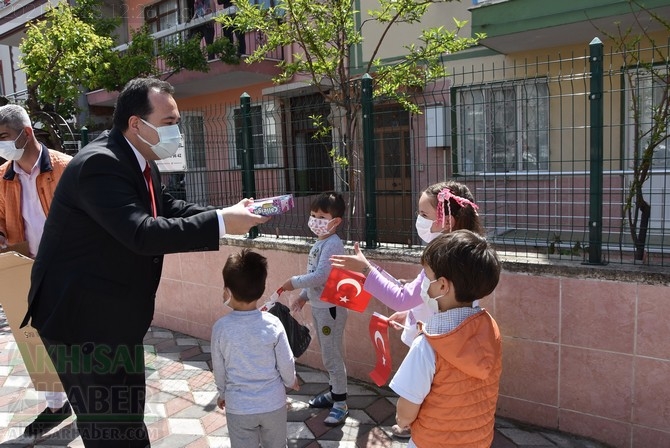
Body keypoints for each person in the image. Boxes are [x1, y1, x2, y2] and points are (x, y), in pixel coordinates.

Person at [20, 77, 269, 448]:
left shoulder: (139, 160)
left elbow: (167, 209)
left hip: (112, 318)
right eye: (169, 122)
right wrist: (220, 223)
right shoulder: (100, 164)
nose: (178, 131)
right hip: (80, 326)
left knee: (127, 419)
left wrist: (226, 214)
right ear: (137, 124)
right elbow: (142, 233)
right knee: (109, 429)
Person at [330, 180, 481, 437]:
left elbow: (403, 297)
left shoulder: (442, 259)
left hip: (437, 344)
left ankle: (416, 426)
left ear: (447, 222)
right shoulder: (464, 252)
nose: (418, 219)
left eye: (424, 215)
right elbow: (418, 297)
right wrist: (409, 311)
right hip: (454, 337)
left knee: (426, 392)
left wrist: (366, 269)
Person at [389, 230, 502, 448]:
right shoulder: (490, 328)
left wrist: (402, 421)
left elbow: (408, 406)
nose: (424, 284)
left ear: (442, 285)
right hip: (478, 441)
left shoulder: (428, 343)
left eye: (426, 277)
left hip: (431, 442)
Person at [0, 104, 73, 437]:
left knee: (77, 340)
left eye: (2, 137)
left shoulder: (66, 168)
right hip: (27, 270)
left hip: (71, 270)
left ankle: (89, 399)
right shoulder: (2, 177)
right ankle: (57, 405)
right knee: (36, 342)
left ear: (25, 133)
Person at [211, 248, 299, 448]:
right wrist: (290, 380)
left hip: (238, 407)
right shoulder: (273, 323)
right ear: (261, 288)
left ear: (228, 292)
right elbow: (286, 361)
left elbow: (219, 368)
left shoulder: (221, 328)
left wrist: (223, 393)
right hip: (273, 404)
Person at [281, 191, 348, 426]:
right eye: (313, 215)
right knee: (328, 354)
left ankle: (340, 403)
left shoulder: (332, 244)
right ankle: (334, 392)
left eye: (321, 216)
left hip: (331, 309)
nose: (315, 220)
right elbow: (315, 277)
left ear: (335, 221)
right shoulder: (321, 242)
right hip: (321, 307)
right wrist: (302, 297)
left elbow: (319, 276)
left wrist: (293, 282)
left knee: (332, 356)